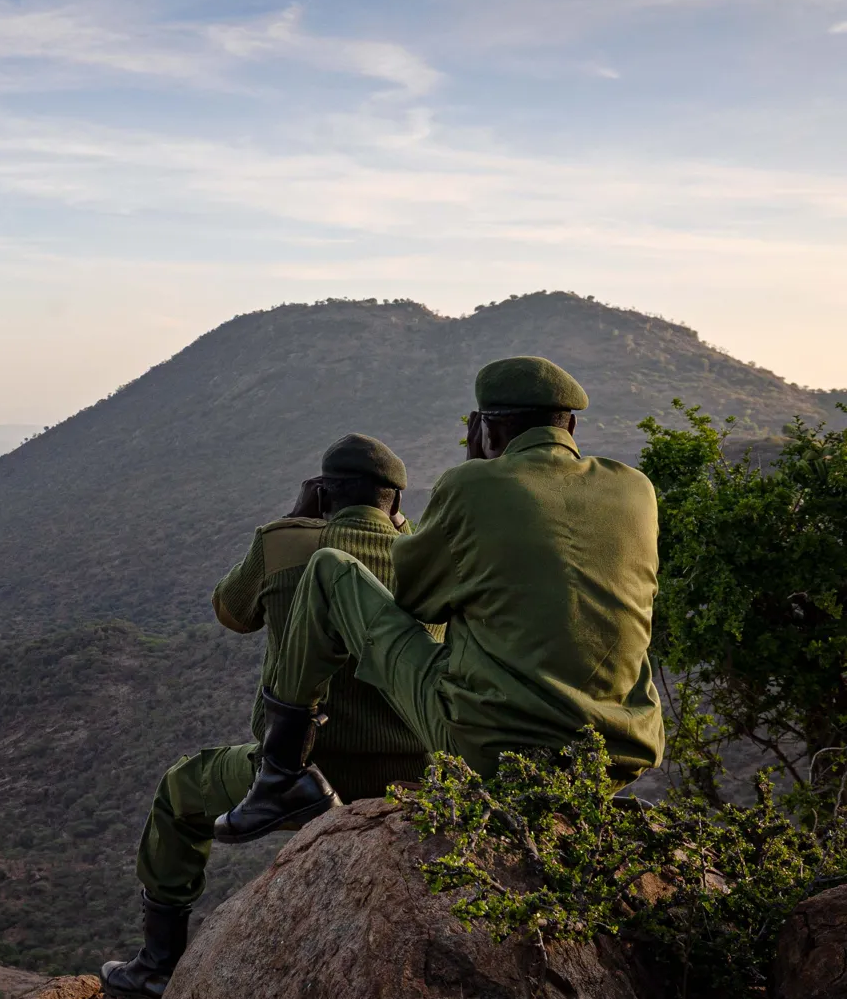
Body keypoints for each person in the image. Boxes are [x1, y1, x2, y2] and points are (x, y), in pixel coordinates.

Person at [214, 356, 664, 846]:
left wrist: (475, 471)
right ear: (571, 424)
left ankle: (280, 775)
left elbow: (417, 602)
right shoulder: (636, 489)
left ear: (485, 430)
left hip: (499, 753)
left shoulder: (471, 484)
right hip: (619, 752)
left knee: (329, 571)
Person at [100, 433, 431, 999]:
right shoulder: (427, 555)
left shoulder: (283, 544)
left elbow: (232, 611)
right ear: (395, 503)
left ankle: (158, 964)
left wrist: (293, 519)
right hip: (415, 777)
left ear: (324, 494)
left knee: (180, 793)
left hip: (301, 775)